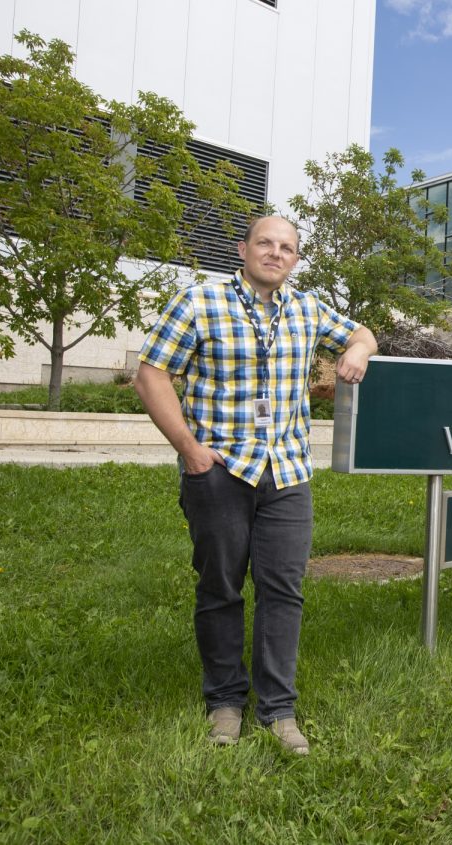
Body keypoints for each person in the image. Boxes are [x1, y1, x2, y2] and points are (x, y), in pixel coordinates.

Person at [134, 215, 377, 755]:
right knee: (220, 586)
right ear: (242, 249)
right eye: (265, 243)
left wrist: (357, 350)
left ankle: (278, 709)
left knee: (282, 590)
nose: (275, 253)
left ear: (294, 259)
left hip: (288, 473)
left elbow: (362, 333)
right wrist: (190, 451)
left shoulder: (308, 308)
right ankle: (224, 702)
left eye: (286, 247)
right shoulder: (200, 301)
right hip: (220, 471)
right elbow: (152, 374)